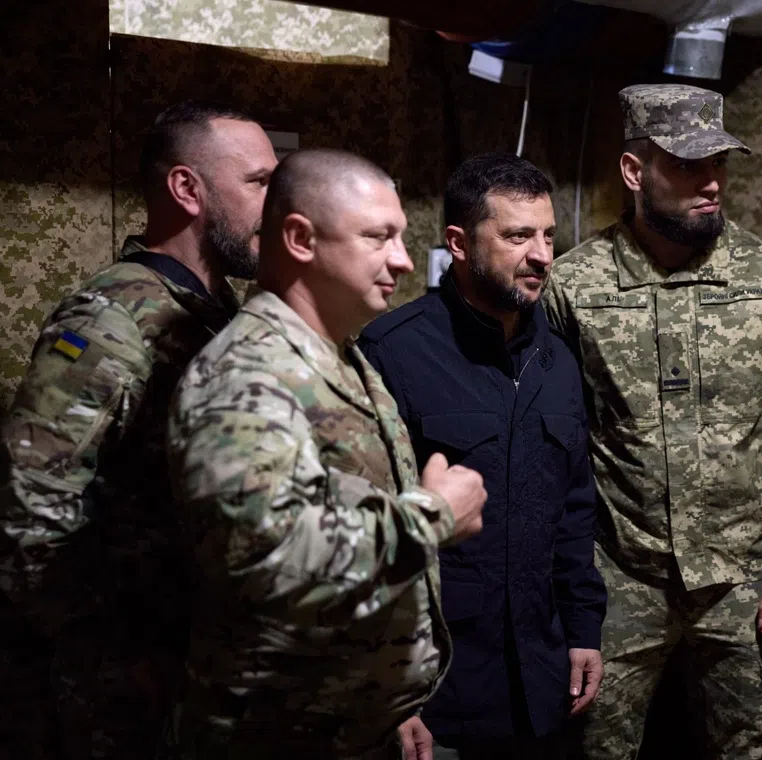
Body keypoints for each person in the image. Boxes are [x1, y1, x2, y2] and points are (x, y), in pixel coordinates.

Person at [543, 84, 762, 760]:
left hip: (746, 578)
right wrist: (563, 583)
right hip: (618, 575)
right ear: (633, 172)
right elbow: (551, 447)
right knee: (591, 745)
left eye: (719, 163)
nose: (711, 183)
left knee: (756, 747)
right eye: (686, 165)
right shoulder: (575, 285)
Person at [164, 149, 487, 758]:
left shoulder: (341, 354)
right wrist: (434, 513)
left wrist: (387, 702)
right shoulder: (249, 375)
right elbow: (270, 561)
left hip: (344, 722)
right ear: (299, 238)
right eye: (378, 238)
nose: (403, 259)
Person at [0, 100, 277, 758]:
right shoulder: (114, 318)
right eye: (260, 182)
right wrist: (110, 659)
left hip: (194, 660)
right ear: (188, 189)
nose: (281, 200)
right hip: (123, 685)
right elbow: (30, 505)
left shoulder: (214, 311)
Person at [359, 154, 606, 760]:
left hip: (541, 676)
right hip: (440, 683)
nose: (543, 255)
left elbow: (572, 511)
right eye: (518, 236)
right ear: (460, 244)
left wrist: (582, 631)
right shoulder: (392, 354)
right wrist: (390, 689)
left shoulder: (559, 362)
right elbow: (370, 536)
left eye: (549, 235)